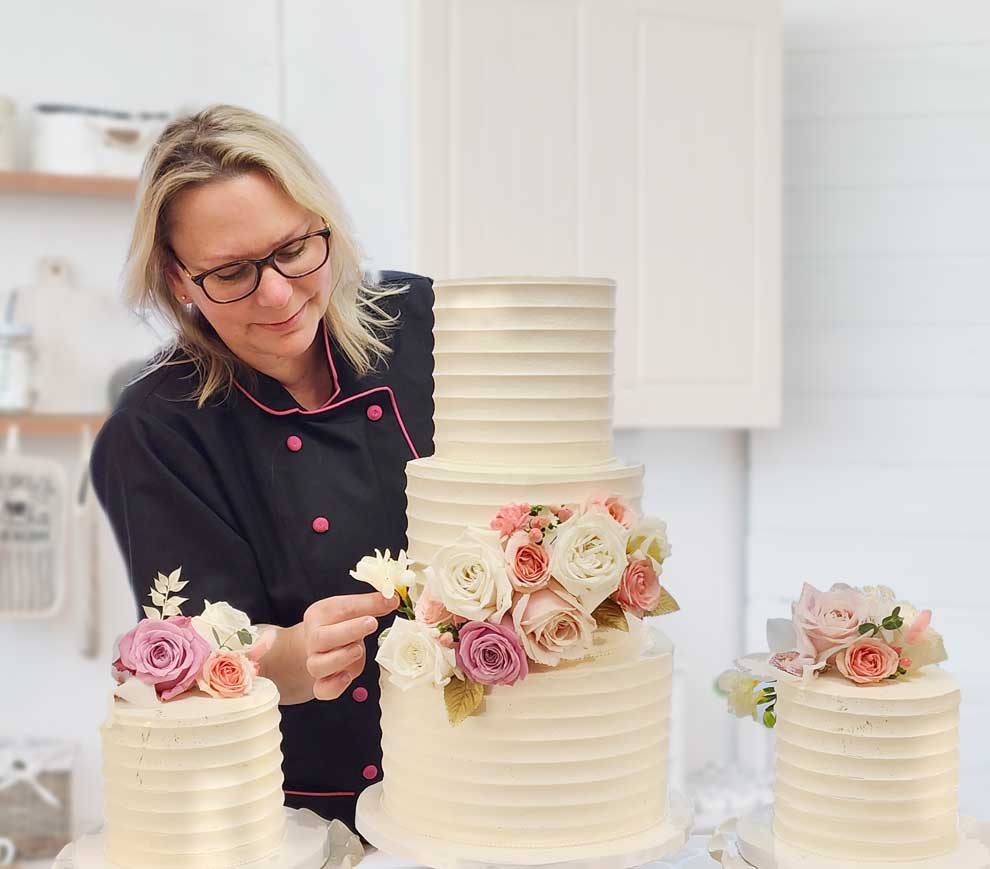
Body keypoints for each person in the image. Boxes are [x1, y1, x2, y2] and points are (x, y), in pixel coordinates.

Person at [90, 104, 434, 829]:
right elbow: (187, 657)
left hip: (479, 782)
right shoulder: (155, 430)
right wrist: (291, 654)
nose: (277, 293)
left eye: (293, 249)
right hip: (298, 821)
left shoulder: (424, 325)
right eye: (232, 273)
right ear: (177, 278)